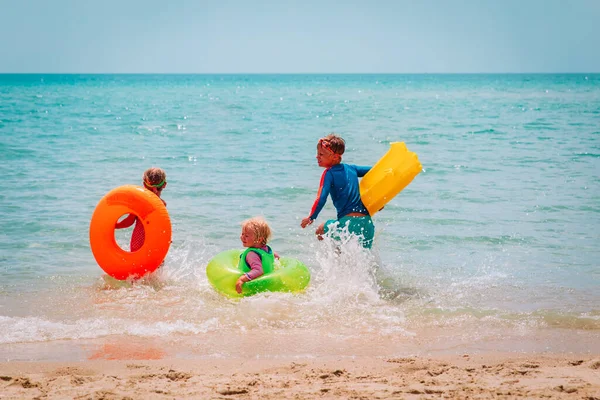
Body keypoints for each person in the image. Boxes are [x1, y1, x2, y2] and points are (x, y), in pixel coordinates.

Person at [300, 133, 375, 248]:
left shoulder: (329, 173)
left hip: (348, 223)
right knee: (363, 258)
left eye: (321, 154)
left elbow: (321, 198)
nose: (317, 156)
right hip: (367, 224)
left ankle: (336, 262)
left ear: (335, 157)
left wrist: (311, 217)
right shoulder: (352, 169)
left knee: (320, 232)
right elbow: (375, 171)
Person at [115, 167, 167, 252]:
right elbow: (164, 227)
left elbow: (129, 221)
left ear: (144, 184)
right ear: (164, 185)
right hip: (156, 244)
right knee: (158, 265)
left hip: (139, 245)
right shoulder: (162, 205)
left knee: (138, 265)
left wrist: (114, 225)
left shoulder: (140, 203)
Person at [236, 217, 280, 294]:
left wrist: (242, 279)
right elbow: (277, 257)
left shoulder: (252, 254)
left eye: (246, 236)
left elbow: (258, 270)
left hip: (254, 289)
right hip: (268, 286)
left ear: (259, 240)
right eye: (242, 234)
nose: (242, 237)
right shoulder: (268, 250)